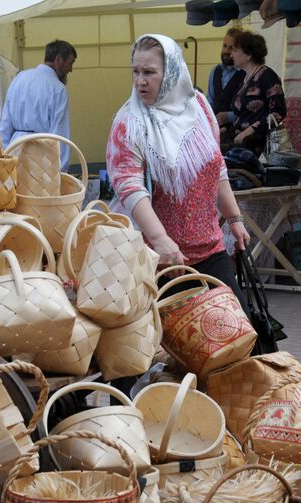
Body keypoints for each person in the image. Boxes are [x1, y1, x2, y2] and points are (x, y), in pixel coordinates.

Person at [106, 34, 251, 396]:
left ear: (171, 72)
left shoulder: (198, 107)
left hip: (210, 248)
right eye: (135, 72)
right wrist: (161, 241)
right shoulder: (129, 122)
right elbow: (129, 187)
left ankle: (234, 415)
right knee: (138, 352)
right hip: (158, 259)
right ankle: (96, 414)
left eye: (150, 73)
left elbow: (216, 167)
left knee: (239, 334)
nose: (141, 81)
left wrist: (234, 219)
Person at [0, 39, 77, 171]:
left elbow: (5, 125)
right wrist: (60, 173)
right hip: (41, 160)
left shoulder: (19, 78)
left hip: (13, 153)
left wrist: (5, 156)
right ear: (58, 59)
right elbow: (59, 136)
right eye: (70, 63)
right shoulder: (58, 89)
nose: (70, 69)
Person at [229, 30, 286, 157]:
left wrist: (250, 131)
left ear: (248, 55)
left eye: (235, 50)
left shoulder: (266, 76)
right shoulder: (245, 79)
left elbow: (277, 112)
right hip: (241, 142)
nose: (231, 54)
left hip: (259, 146)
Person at [206, 28, 245, 142]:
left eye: (231, 48)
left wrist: (229, 116)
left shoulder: (247, 74)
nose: (226, 51)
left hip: (239, 135)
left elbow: (253, 111)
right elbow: (210, 101)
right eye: (224, 46)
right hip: (216, 134)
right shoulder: (215, 71)